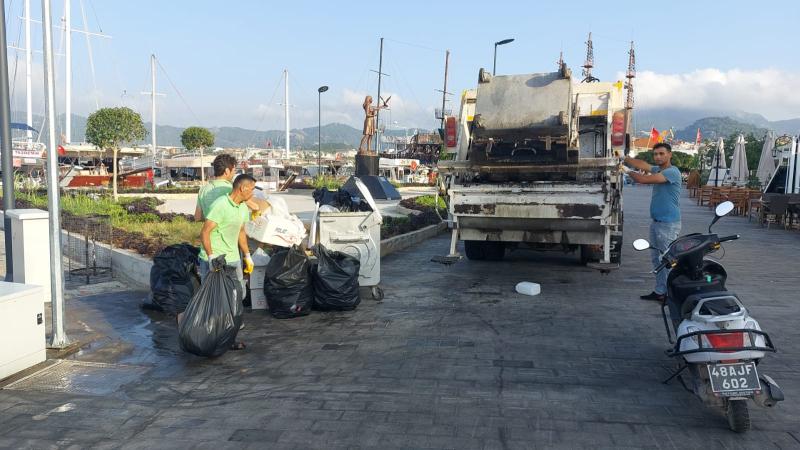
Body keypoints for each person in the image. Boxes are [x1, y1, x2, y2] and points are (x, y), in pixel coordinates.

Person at [623, 142, 682, 302]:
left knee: (667, 260)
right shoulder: (659, 169)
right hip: (657, 222)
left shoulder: (672, 172)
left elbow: (644, 179)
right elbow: (644, 165)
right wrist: (624, 157)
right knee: (657, 259)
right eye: (656, 154)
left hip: (668, 224)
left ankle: (671, 294)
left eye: (662, 153)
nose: (658, 157)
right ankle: (660, 291)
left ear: (670, 154)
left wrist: (626, 170)